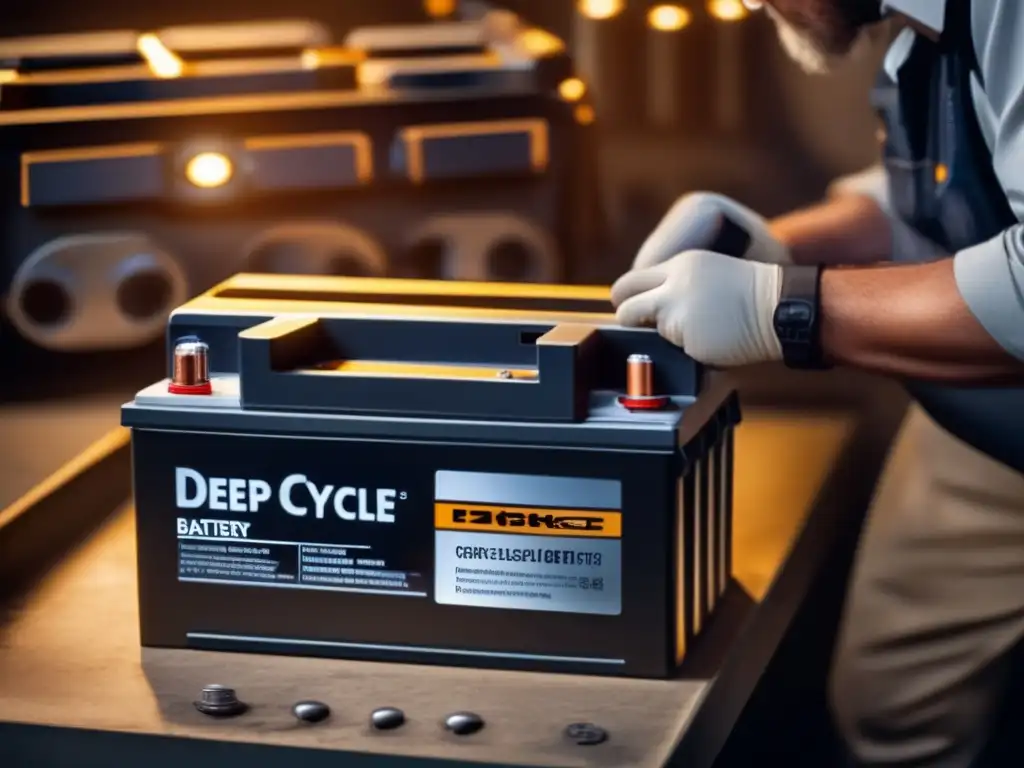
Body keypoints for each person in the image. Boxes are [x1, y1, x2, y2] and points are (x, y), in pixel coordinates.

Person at [610, 0, 1024, 765]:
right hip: (988, 429)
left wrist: (788, 309)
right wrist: (776, 250)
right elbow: (940, 188)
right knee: (893, 710)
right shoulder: (928, 24)